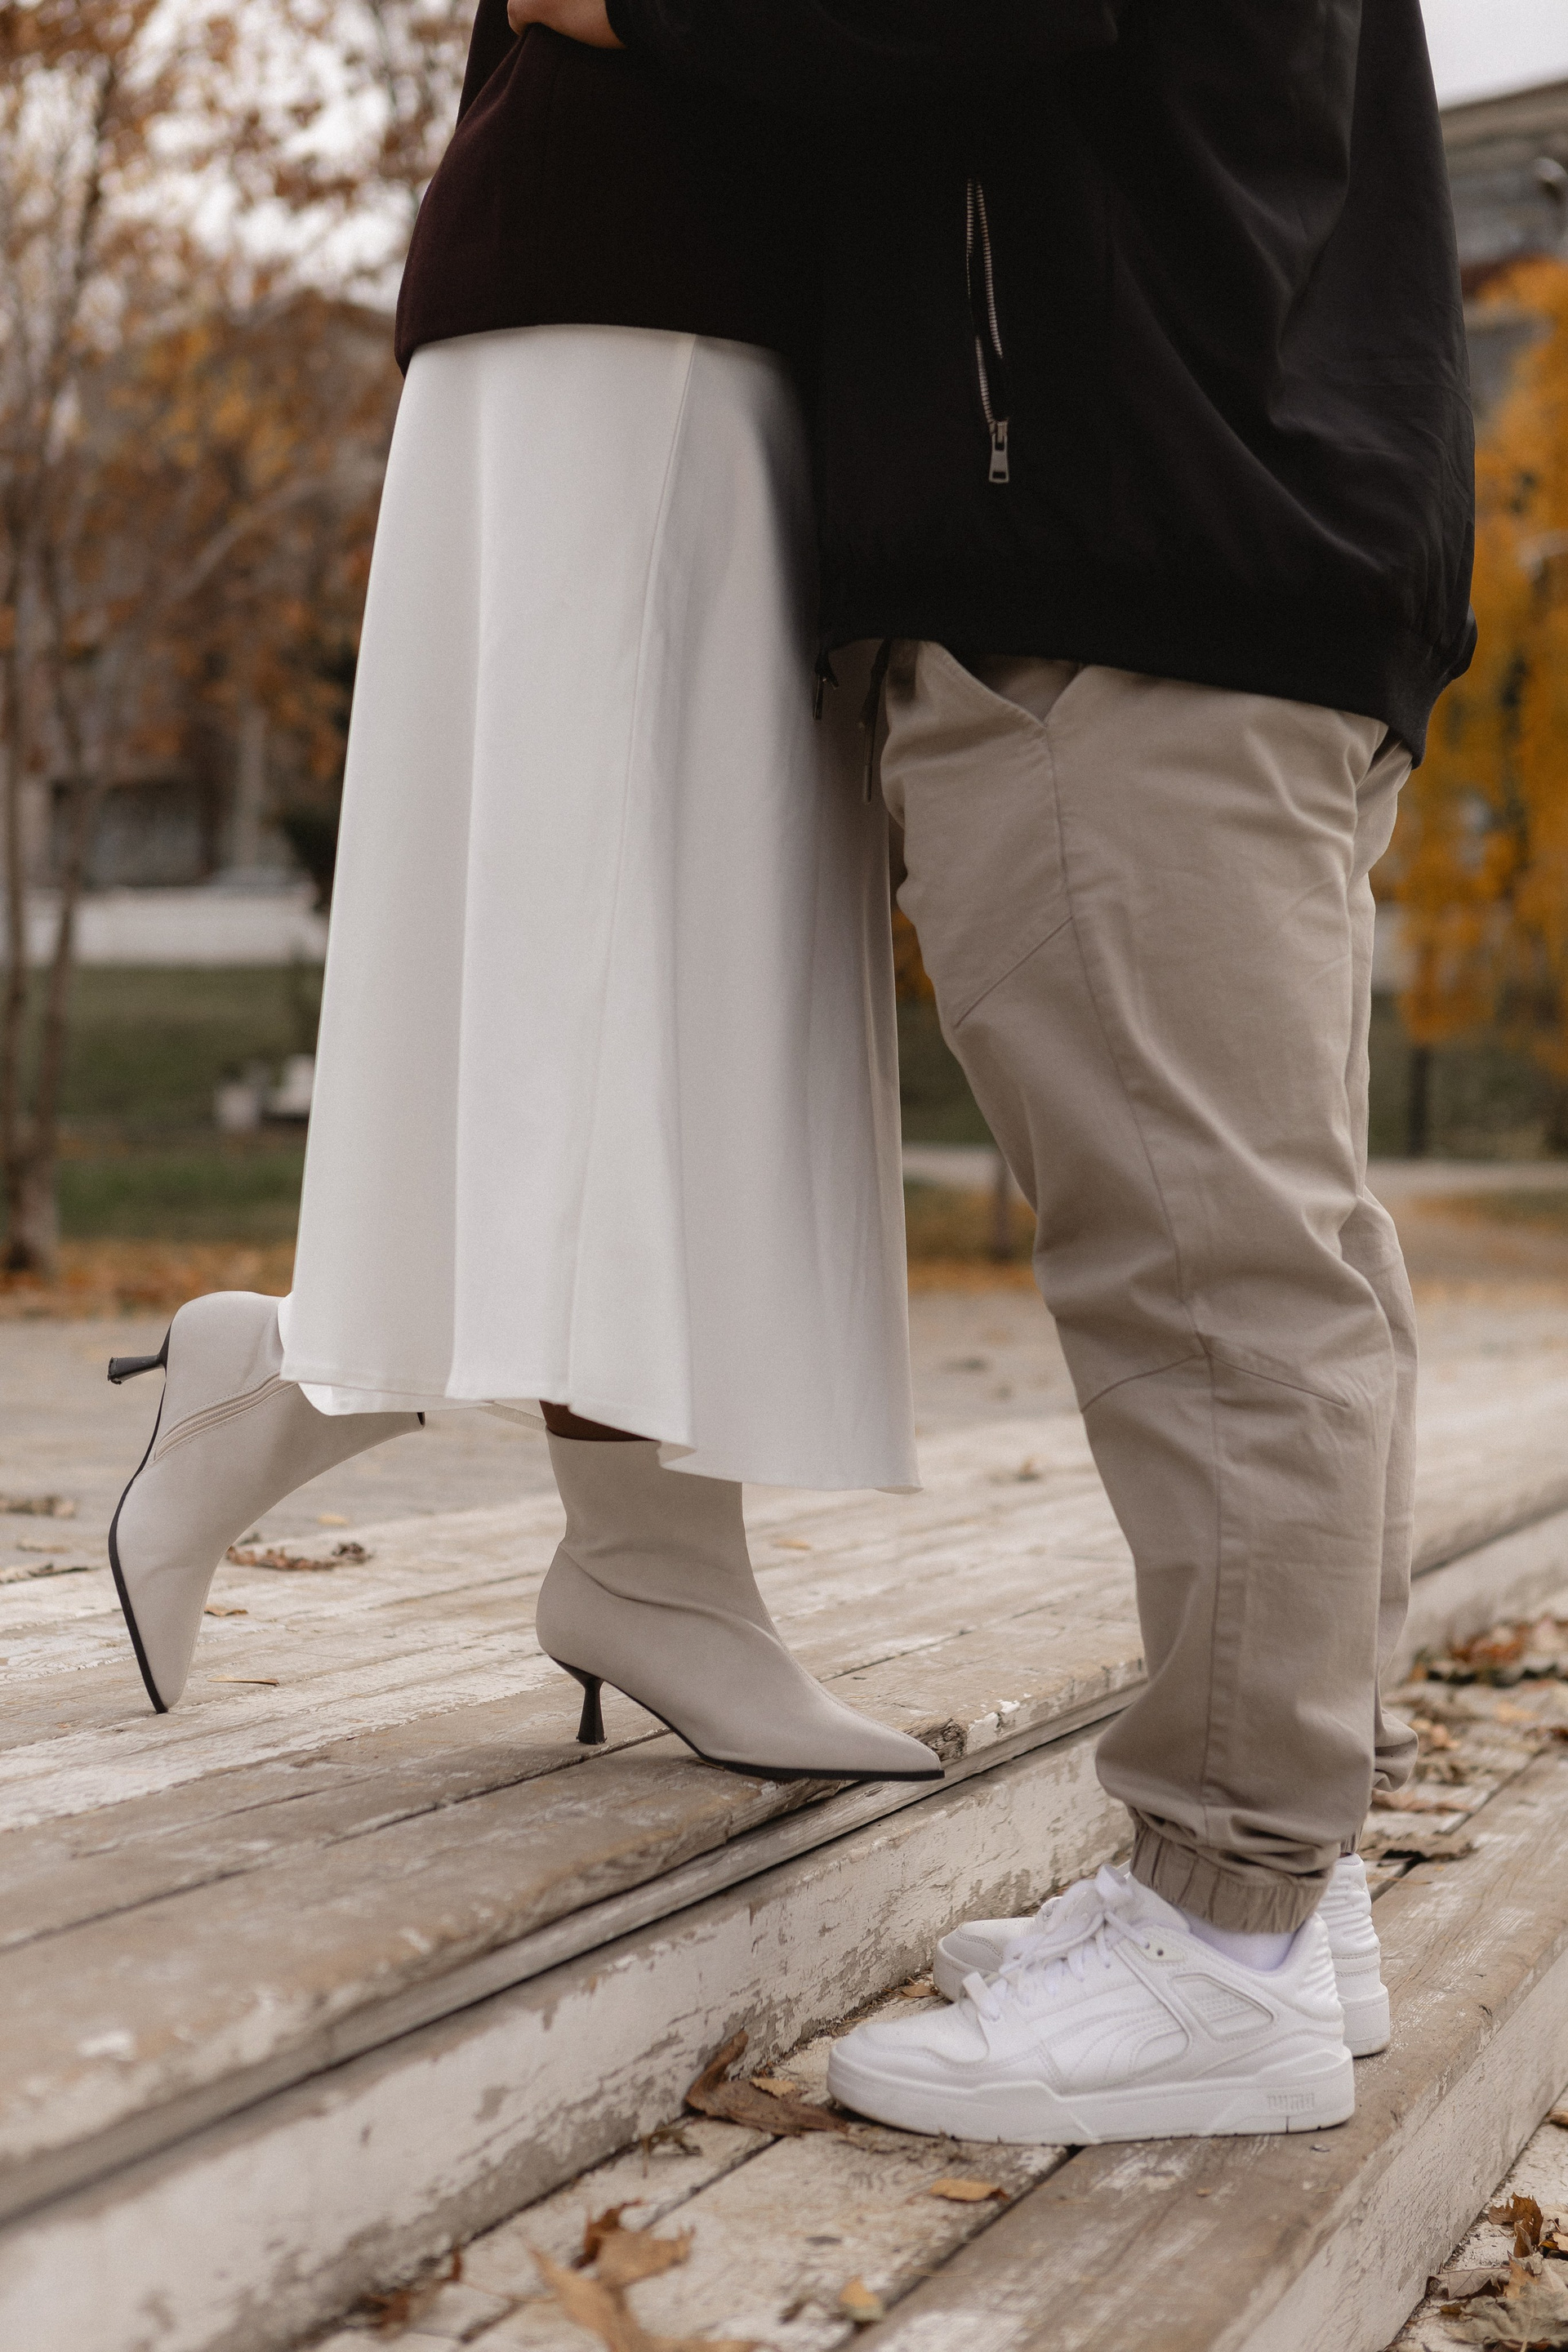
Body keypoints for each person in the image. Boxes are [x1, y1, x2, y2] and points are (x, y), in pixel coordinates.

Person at [510, 0, 1477, 2142]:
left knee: (1210, 1268)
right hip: (1246, 526)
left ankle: (1227, 1927)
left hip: (1123, 543)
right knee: (1284, 1247)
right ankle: (1290, 1898)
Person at [103, 2, 940, 1790]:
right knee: (615, 952)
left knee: (682, 965)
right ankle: (641, 1563)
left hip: (732, 304)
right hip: (634, 287)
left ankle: (303, 1395)